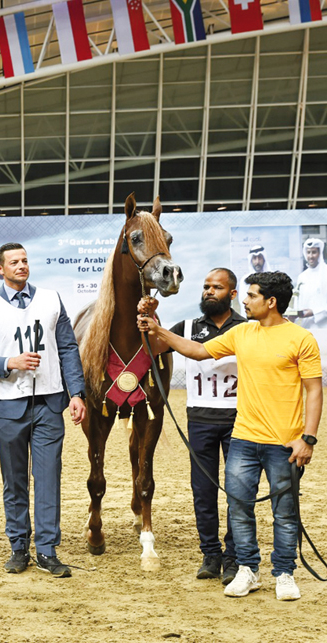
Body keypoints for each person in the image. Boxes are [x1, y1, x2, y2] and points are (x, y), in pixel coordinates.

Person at [139, 271, 321, 601]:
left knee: (285, 512)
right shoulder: (242, 334)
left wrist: (307, 438)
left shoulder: (301, 339)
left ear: (271, 301)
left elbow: (313, 390)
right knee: (239, 509)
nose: (245, 301)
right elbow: (195, 351)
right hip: (243, 439)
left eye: (251, 296)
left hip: (285, 442)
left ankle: (284, 573)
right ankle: (247, 570)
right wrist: (157, 329)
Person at [0, 243, 86, 578]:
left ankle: (47, 551)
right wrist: (9, 362)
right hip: (7, 405)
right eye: (14, 262)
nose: (22, 266)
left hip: (50, 404)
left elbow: (67, 347)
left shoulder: (51, 299)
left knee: (48, 478)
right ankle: (18, 547)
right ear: (1, 269)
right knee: (15, 481)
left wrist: (76, 393)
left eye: (25, 261)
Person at [159, 269, 246, 585]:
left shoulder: (247, 329)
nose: (209, 291)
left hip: (241, 420)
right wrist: (147, 320)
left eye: (217, 287)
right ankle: (211, 554)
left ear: (232, 294)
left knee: (238, 492)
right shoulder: (187, 327)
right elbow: (153, 347)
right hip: (199, 421)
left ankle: (235, 557)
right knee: (203, 492)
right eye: (206, 286)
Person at [295, 238, 327, 329]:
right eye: (308, 252)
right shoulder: (302, 276)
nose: (311, 256)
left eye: (314, 252)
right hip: (306, 326)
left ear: (319, 253)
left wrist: (314, 312)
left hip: (324, 326)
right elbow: (299, 303)